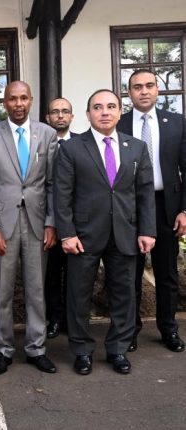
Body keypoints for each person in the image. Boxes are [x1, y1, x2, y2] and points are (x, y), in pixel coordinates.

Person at [54, 89, 156, 375]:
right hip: (83, 235)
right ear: (88, 114)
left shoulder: (136, 148)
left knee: (124, 295)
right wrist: (67, 233)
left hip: (125, 233)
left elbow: (145, 193)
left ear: (120, 112)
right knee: (78, 296)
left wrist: (147, 230)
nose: (105, 112)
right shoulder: (72, 148)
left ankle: (118, 349)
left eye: (111, 106)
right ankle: (82, 351)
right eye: (98, 107)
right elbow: (62, 195)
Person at [0, 81, 59, 375]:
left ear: (31, 100)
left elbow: (53, 183)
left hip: (38, 224)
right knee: (2, 291)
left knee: (37, 290)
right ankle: (3, 349)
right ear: (4, 102)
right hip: (3, 225)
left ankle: (36, 348)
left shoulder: (47, 134)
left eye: (24, 98)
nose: (19, 104)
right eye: (13, 99)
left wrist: (51, 222)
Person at [117, 69, 186, 353]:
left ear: (157, 89)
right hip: (129, 207)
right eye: (137, 87)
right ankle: (130, 330)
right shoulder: (118, 123)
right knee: (129, 273)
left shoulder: (177, 123)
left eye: (149, 85)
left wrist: (184, 210)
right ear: (129, 92)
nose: (143, 91)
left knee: (167, 272)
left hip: (166, 207)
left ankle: (168, 329)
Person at [44, 97, 77, 339]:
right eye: (55, 112)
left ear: (72, 117)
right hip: (47, 221)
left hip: (77, 221)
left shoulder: (83, 143)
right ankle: (55, 319)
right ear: (48, 118)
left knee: (76, 275)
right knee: (52, 274)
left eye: (65, 111)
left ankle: (73, 320)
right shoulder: (40, 144)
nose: (60, 116)